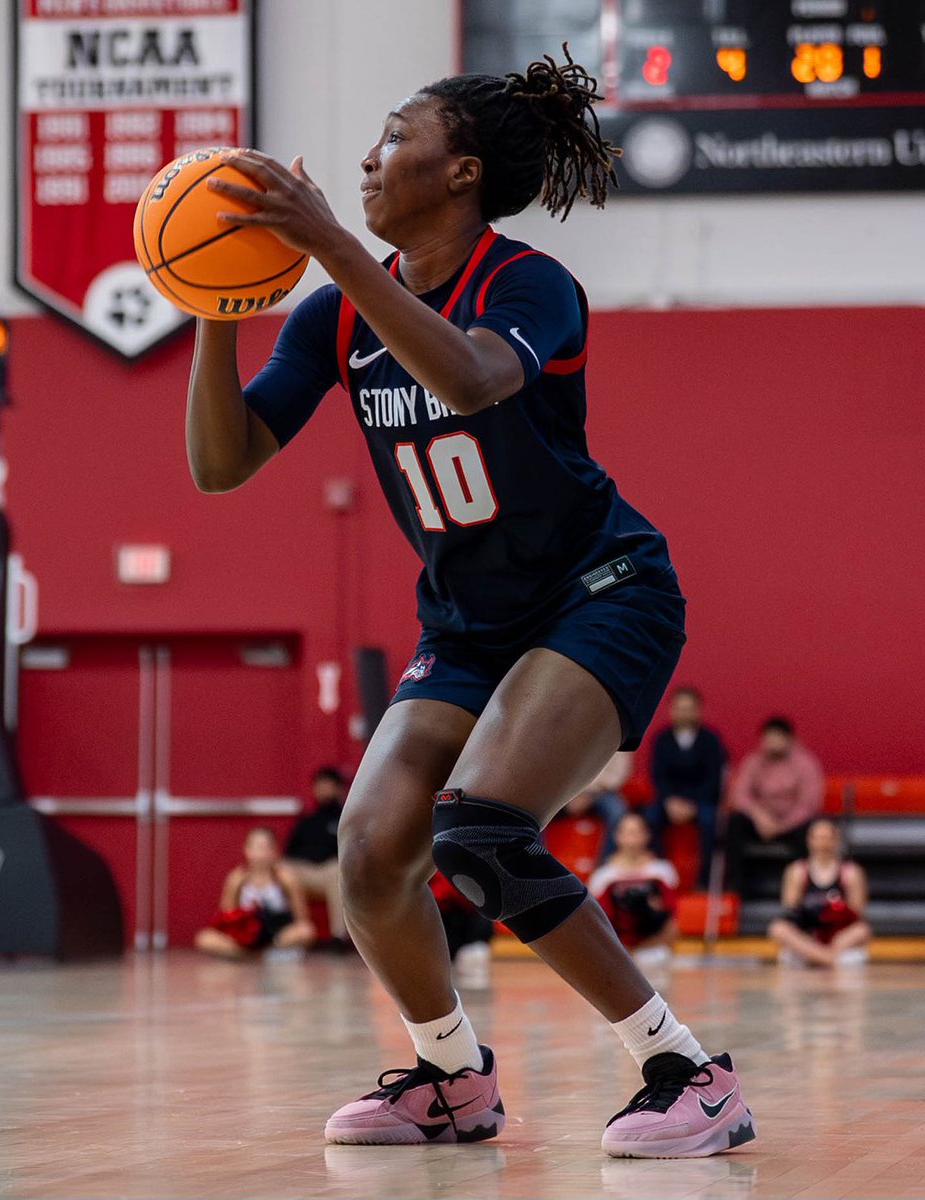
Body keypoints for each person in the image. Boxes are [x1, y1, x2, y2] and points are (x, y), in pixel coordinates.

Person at [186, 46, 754, 1157]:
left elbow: (469, 376)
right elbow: (222, 461)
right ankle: (450, 1078)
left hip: (600, 593)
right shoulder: (335, 318)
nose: (367, 157)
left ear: (461, 171)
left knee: (481, 832)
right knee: (368, 850)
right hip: (467, 623)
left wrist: (330, 245)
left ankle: (688, 1071)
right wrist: (213, 297)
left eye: (396, 134)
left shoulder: (526, 283)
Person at [725, 716, 824, 893]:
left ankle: (805, 888)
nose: (773, 742)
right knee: (735, 822)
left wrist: (782, 825)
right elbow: (739, 796)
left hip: (792, 825)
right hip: (761, 823)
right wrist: (760, 817)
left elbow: (809, 803)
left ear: (790, 739)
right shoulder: (753, 761)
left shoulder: (805, 763)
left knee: (811, 831)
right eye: (769, 737)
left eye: (777, 737)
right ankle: (736, 888)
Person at [194, 826, 316, 960]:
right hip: (246, 936)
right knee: (205, 938)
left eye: (264, 847)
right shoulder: (237, 878)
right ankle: (256, 955)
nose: (260, 853)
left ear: (274, 850)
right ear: (246, 850)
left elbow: (302, 917)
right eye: (255, 847)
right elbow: (226, 916)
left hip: (277, 934)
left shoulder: (285, 877)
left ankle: (261, 954)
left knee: (306, 931)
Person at [647, 688, 727, 888]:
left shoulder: (711, 739)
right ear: (671, 710)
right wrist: (670, 801)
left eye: (688, 708)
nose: (684, 713)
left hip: (701, 801)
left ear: (698, 710)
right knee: (649, 818)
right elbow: (658, 776)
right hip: (669, 800)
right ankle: (660, 877)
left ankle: (704, 880)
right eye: (679, 708)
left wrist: (692, 804)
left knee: (711, 822)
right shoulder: (661, 739)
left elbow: (714, 778)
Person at [767, 818, 871, 967]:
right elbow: (790, 907)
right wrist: (813, 915)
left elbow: (857, 910)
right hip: (809, 932)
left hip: (837, 932)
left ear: (837, 840)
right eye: (818, 838)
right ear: (809, 840)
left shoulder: (851, 872)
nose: (823, 844)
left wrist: (833, 912)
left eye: (827, 838)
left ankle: (819, 957)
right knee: (778, 929)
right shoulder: (797, 870)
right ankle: (826, 958)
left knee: (862, 930)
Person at [589, 811, 679, 969]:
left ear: (647, 835)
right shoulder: (603, 876)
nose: (631, 838)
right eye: (627, 832)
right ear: (616, 835)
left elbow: (672, 924)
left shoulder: (662, 871)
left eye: (636, 832)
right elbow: (596, 924)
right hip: (616, 954)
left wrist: (645, 948)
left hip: (653, 952)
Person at [283, 766, 350, 950]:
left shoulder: (346, 819)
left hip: (330, 872)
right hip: (303, 872)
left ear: (339, 789)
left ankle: (339, 938)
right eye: (320, 785)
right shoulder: (306, 821)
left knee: (336, 871)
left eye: (328, 785)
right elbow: (288, 853)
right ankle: (295, 935)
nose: (323, 789)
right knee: (283, 871)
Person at [564, 750, 635, 859]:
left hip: (602, 791)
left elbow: (618, 774)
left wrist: (588, 792)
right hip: (567, 791)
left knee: (617, 813)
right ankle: (538, 856)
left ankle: (607, 860)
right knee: (538, 811)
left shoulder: (617, 740)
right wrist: (573, 793)